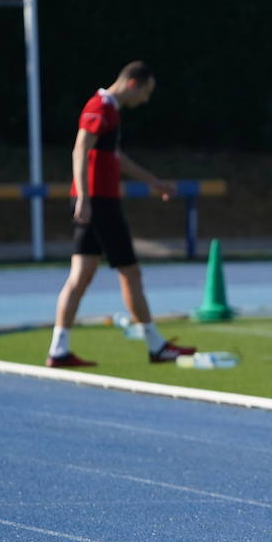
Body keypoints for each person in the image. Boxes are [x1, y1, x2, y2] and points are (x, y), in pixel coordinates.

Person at [45, 61, 197, 368]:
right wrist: (86, 198)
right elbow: (80, 149)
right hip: (100, 203)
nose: (146, 99)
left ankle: (58, 349)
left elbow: (116, 158)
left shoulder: (110, 111)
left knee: (81, 276)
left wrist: (153, 182)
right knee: (130, 272)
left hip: (98, 201)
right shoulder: (102, 107)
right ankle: (156, 346)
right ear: (132, 84)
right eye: (146, 92)